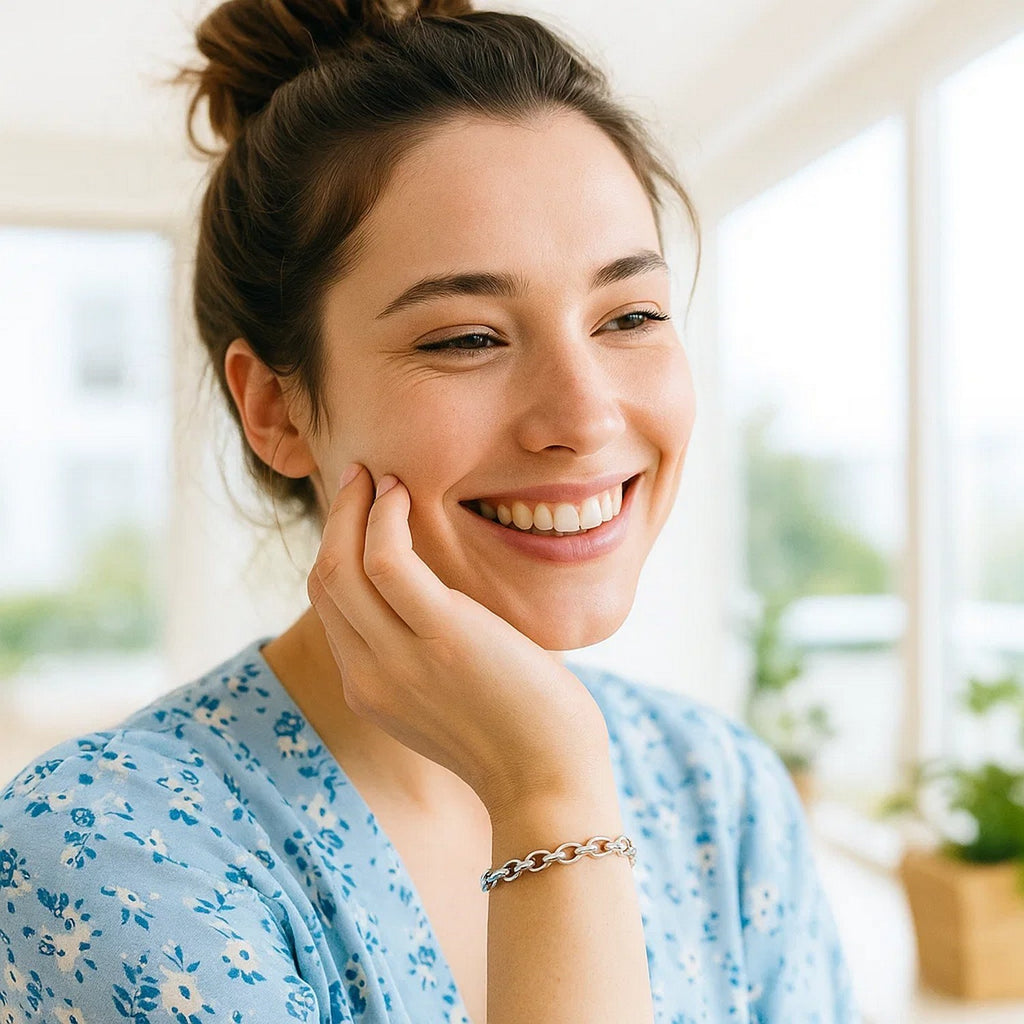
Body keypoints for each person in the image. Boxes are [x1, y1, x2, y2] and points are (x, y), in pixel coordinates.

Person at [0, 1, 861, 1021]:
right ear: (275, 407)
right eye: (465, 338)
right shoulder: (99, 853)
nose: (584, 418)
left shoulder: (722, 793)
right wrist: (547, 796)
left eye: (628, 315)